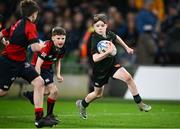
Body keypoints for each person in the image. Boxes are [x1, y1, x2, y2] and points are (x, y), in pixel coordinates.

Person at [76, 13, 152, 119]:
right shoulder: (94, 38)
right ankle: (82, 105)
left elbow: (116, 37)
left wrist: (127, 47)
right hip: (100, 70)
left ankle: (140, 103)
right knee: (98, 94)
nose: (100, 28)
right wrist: (108, 52)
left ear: (106, 26)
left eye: (102, 25)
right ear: (94, 27)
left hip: (112, 65)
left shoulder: (108, 34)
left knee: (128, 78)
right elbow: (95, 58)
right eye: (97, 26)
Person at [0, 0, 57, 127]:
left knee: (39, 82)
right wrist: (43, 45)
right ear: (34, 14)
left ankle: (39, 119)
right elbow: (35, 47)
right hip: (9, 62)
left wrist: (4, 41)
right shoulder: (30, 26)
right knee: (2, 92)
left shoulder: (19, 23)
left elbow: (3, 33)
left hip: (21, 62)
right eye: (36, 14)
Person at [23, 26, 66, 122]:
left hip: (48, 69)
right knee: (54, 91)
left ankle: (31, 95)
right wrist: (38, 79)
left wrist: (58, 74)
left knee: (46, 92)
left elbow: (58, 61)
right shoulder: (47, 46)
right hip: (39, 68)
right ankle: (49, 115)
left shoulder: (62, 48)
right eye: (58, 38)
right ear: (52, 38)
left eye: (63, 38)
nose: (61, 41)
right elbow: (38, 64)